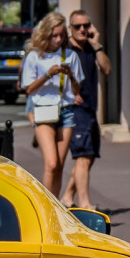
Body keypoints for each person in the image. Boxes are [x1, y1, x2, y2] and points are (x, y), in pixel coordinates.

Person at [21, 13, 84, 196]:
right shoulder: (34, 57)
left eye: (61, 36)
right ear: (46, 34)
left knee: (60, 166)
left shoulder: (70, 55)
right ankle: (45, 208)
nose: (58, 40)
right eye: (54, 36)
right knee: (52, 163)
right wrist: (48, 74)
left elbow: (77, 89)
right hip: (43, 111)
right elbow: (30, 89)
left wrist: (71, 75)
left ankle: (54, 208)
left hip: (66, 111)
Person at [61, 9, 111, 208]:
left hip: (90, 108)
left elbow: (107, 69)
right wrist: (68, 95)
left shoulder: (91, 48)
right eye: (77, 26)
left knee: (89, 156)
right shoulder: (66, 51)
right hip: (76, 110)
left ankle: (67, 197)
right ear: (70, 28)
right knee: (82, 156)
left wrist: (97, 44)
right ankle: (85, 204)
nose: (82, 29)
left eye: (86, 26)